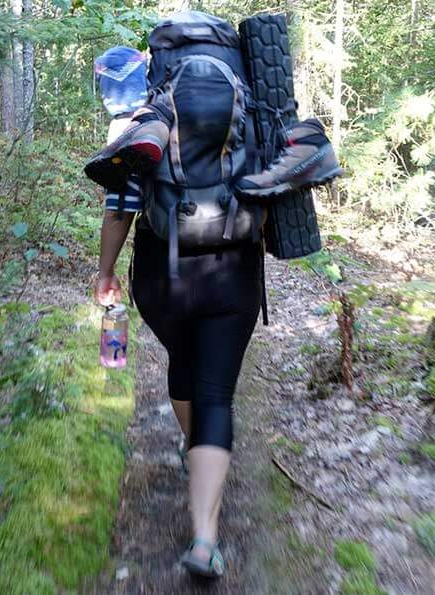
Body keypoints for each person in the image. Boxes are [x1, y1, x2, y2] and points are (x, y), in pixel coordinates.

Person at [90, 15, 341, 579]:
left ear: (157, 63)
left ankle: (193, 446)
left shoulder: (142, 115)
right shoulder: (253, 108)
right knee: (216, 394)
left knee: (184, 364)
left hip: (163, 274)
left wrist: (105, 271)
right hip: (233, 269)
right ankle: (204, 539)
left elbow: (121, 208)